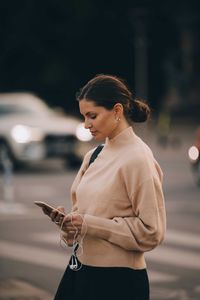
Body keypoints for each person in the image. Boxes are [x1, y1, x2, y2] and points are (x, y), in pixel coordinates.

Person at [49, 74, 166, 300]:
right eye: (83, 116)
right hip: (79, 270)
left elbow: (152, 232)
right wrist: (69, 225)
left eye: (92, 116)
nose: (86, 124)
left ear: (117, 111)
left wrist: (89, 224)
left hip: (118, 281)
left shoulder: (138, 158)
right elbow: (82, 217)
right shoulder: (93, 155)